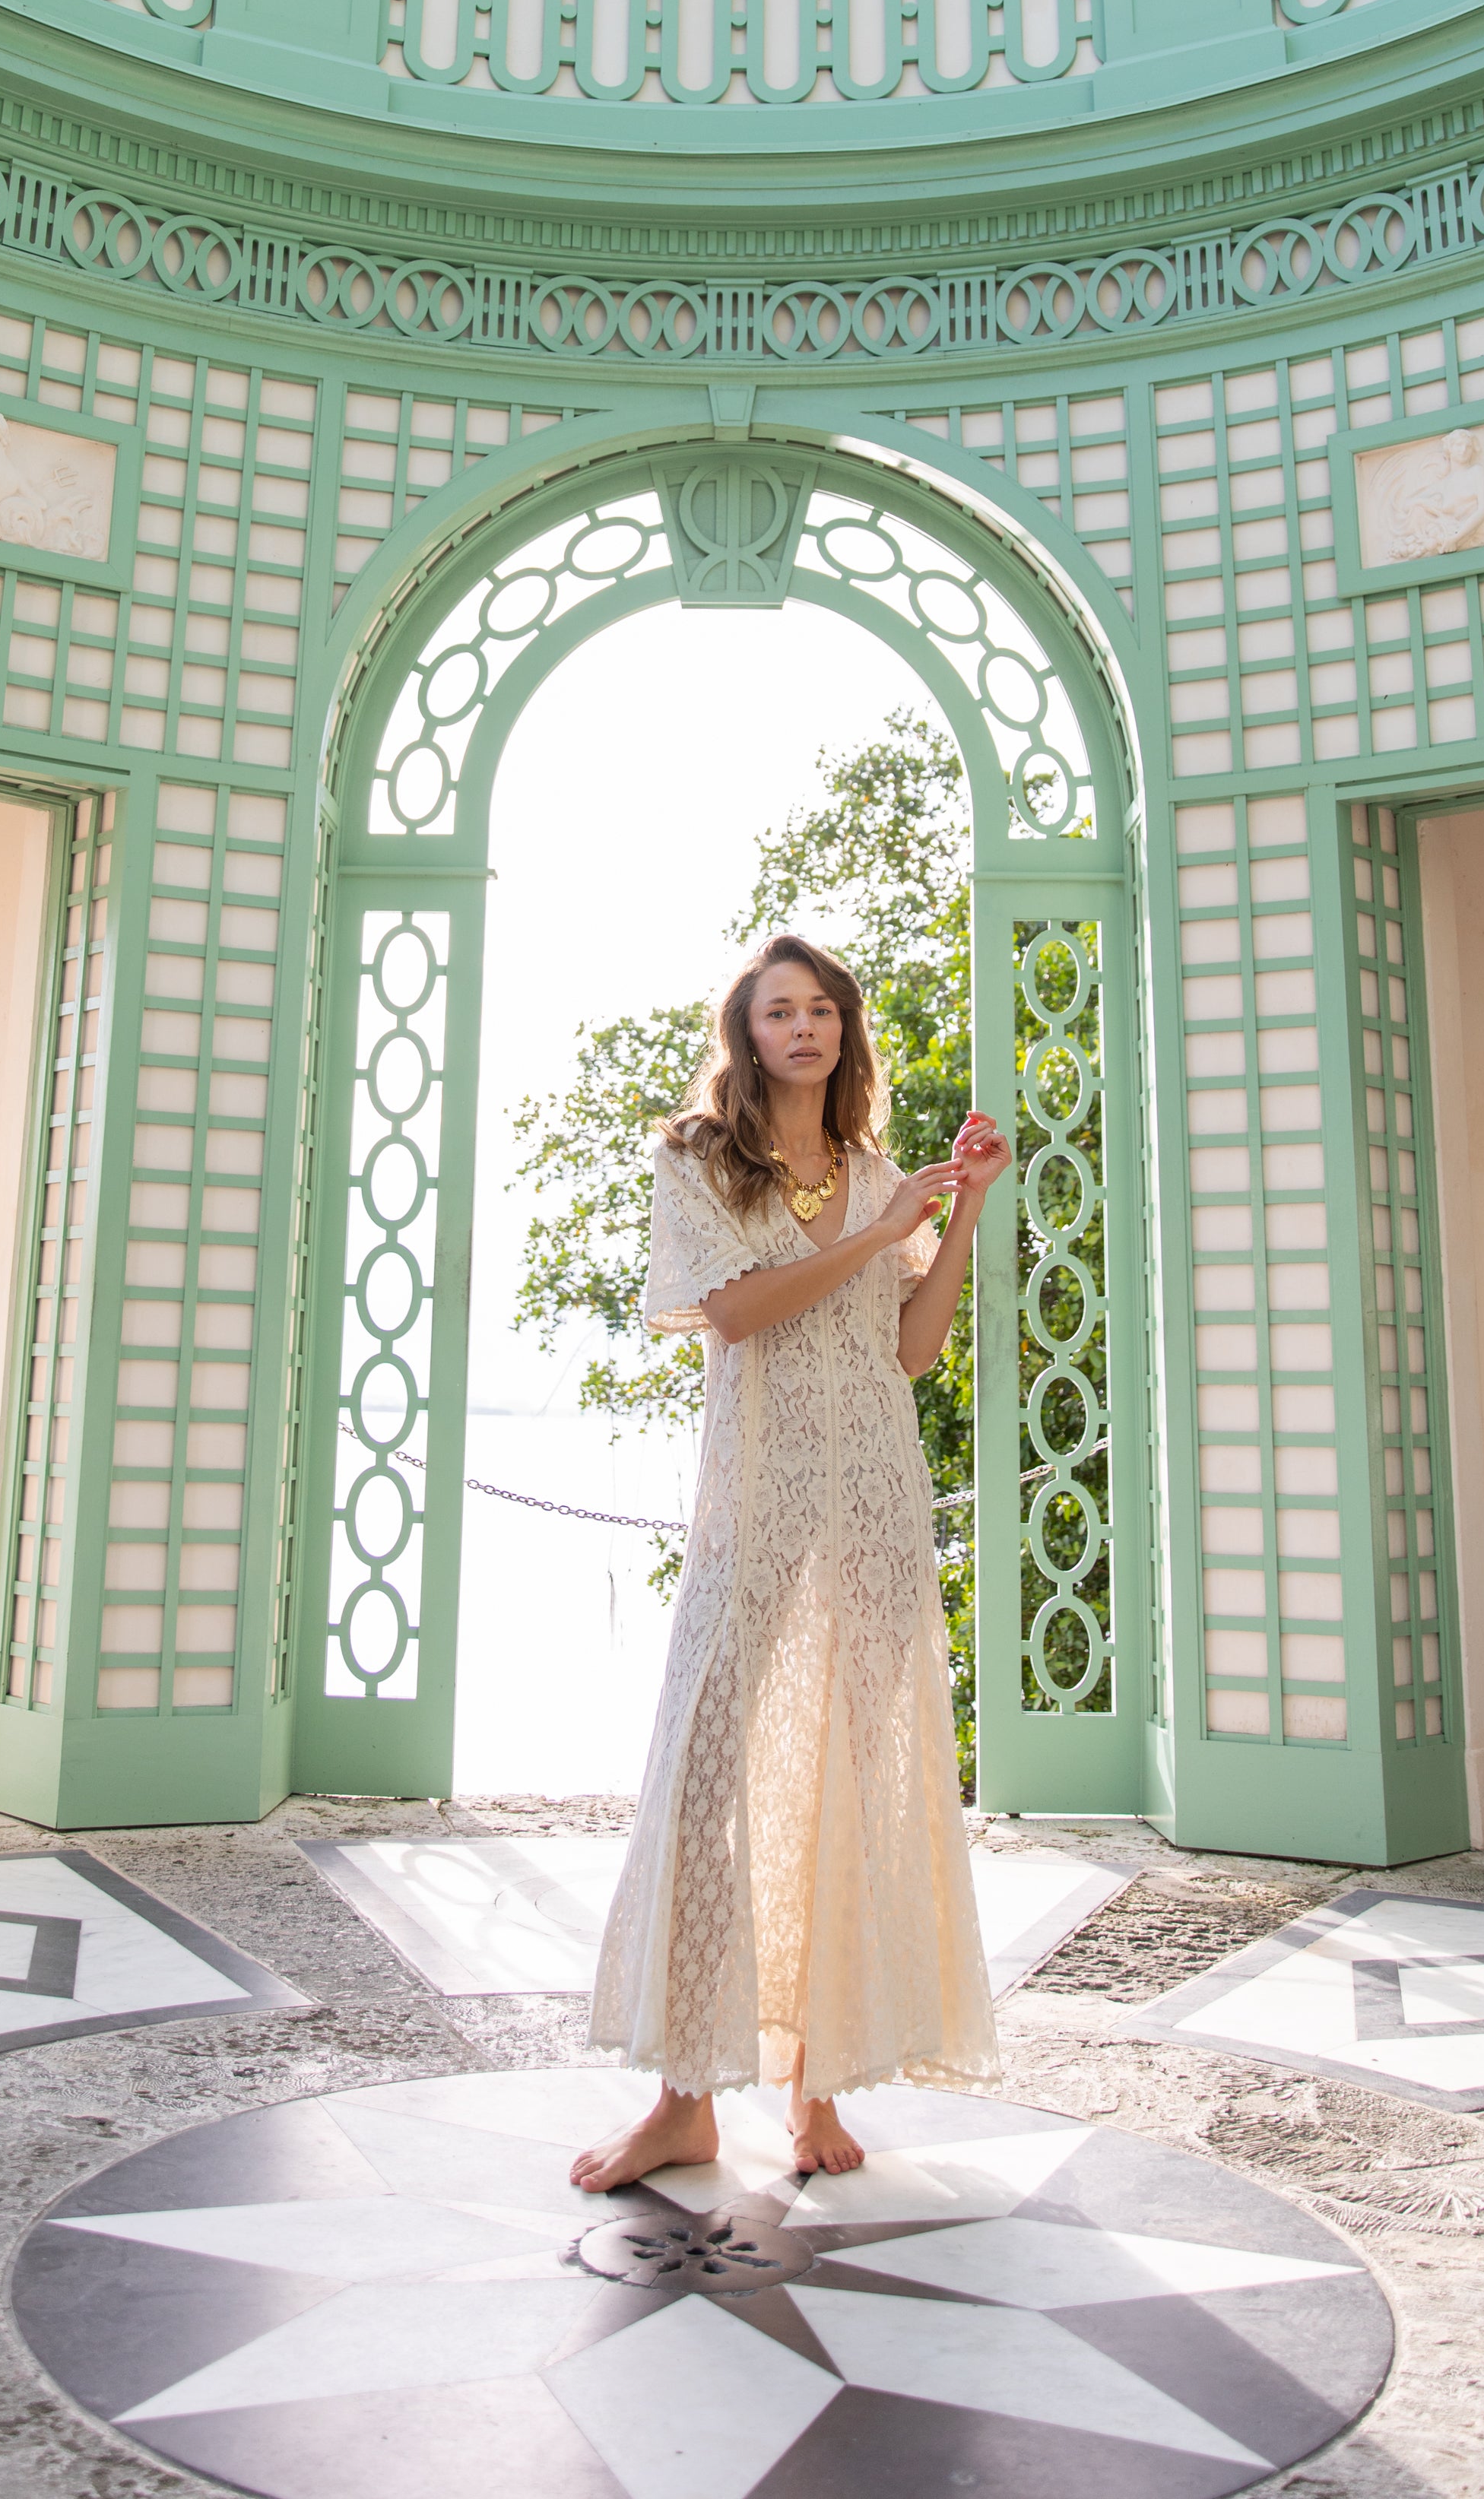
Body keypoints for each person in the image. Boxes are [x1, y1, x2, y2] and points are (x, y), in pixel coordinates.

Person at [572, 929, 1013, 2191]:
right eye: (781, 1011)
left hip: (871, 1504)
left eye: (824, 1009)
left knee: (852, 1780)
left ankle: (818, 2086)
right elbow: (735, 1314)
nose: (805, 1029)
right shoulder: (700, 1163)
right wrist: (882, 1236)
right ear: (748, 1032)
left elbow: (913, 1353)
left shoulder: (880, 1171)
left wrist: (960, 1210)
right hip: (752, 1508)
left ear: (844, 1031)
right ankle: (685, 2102)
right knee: (711, 1778)